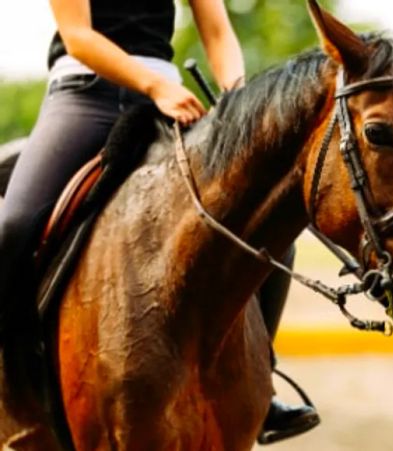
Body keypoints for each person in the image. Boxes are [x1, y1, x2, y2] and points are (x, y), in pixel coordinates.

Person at [0, 0, 318, 444]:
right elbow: (79, 37)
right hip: (86, 93)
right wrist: (152, 85)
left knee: (266, 229)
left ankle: (262, 381)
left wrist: (237, 102)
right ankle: (15, 387)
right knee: (11, 227)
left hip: (170, 103)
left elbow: (218, 32)